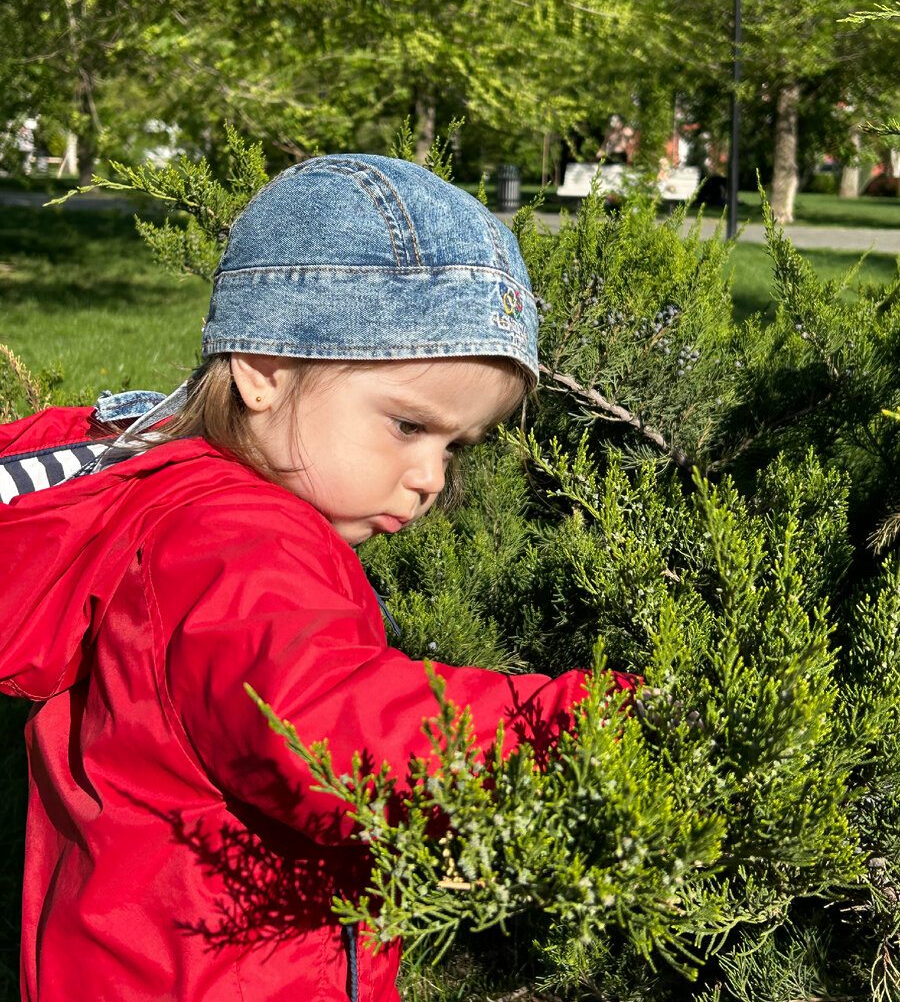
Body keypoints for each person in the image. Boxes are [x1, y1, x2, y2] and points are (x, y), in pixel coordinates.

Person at [0, 155, 635, 1002]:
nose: (431, 475)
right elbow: (334, 730)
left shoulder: (175, 491)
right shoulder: (237, 542)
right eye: (408, 424)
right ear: (264, 368)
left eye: (455, 446)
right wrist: (597, 728)